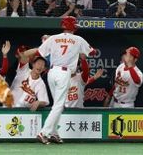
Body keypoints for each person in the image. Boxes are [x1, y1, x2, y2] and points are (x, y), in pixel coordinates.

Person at [22, 16, 96, 144]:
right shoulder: (78, 39)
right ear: (74, 27)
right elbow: (93, 52)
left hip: (52, 72)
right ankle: (43, 132)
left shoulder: (53, 38)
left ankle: (54, 133)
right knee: (58, 105)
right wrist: (80, 51)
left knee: (58, 104)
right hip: (64, 73)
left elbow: (39, 53)